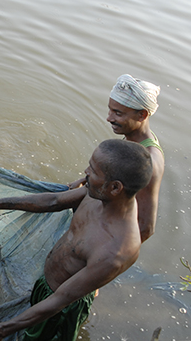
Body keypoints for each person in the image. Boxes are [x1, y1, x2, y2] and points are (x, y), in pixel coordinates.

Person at [0, 139, 153, 341]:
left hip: (62, 306)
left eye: (93, 170)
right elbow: (54, 201)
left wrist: (0, 330)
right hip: (49, 286)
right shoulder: (96, 194)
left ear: (115, 187)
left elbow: (61, 299)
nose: (86, 173)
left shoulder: (117, 250)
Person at [69, 74, 164, 242]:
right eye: (110, 110)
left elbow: (146, 227)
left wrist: (102, 253)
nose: (109, 118)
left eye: (118, 113)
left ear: (142, 115)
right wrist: (85, 180)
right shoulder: (132, 139)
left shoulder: (149, 161)